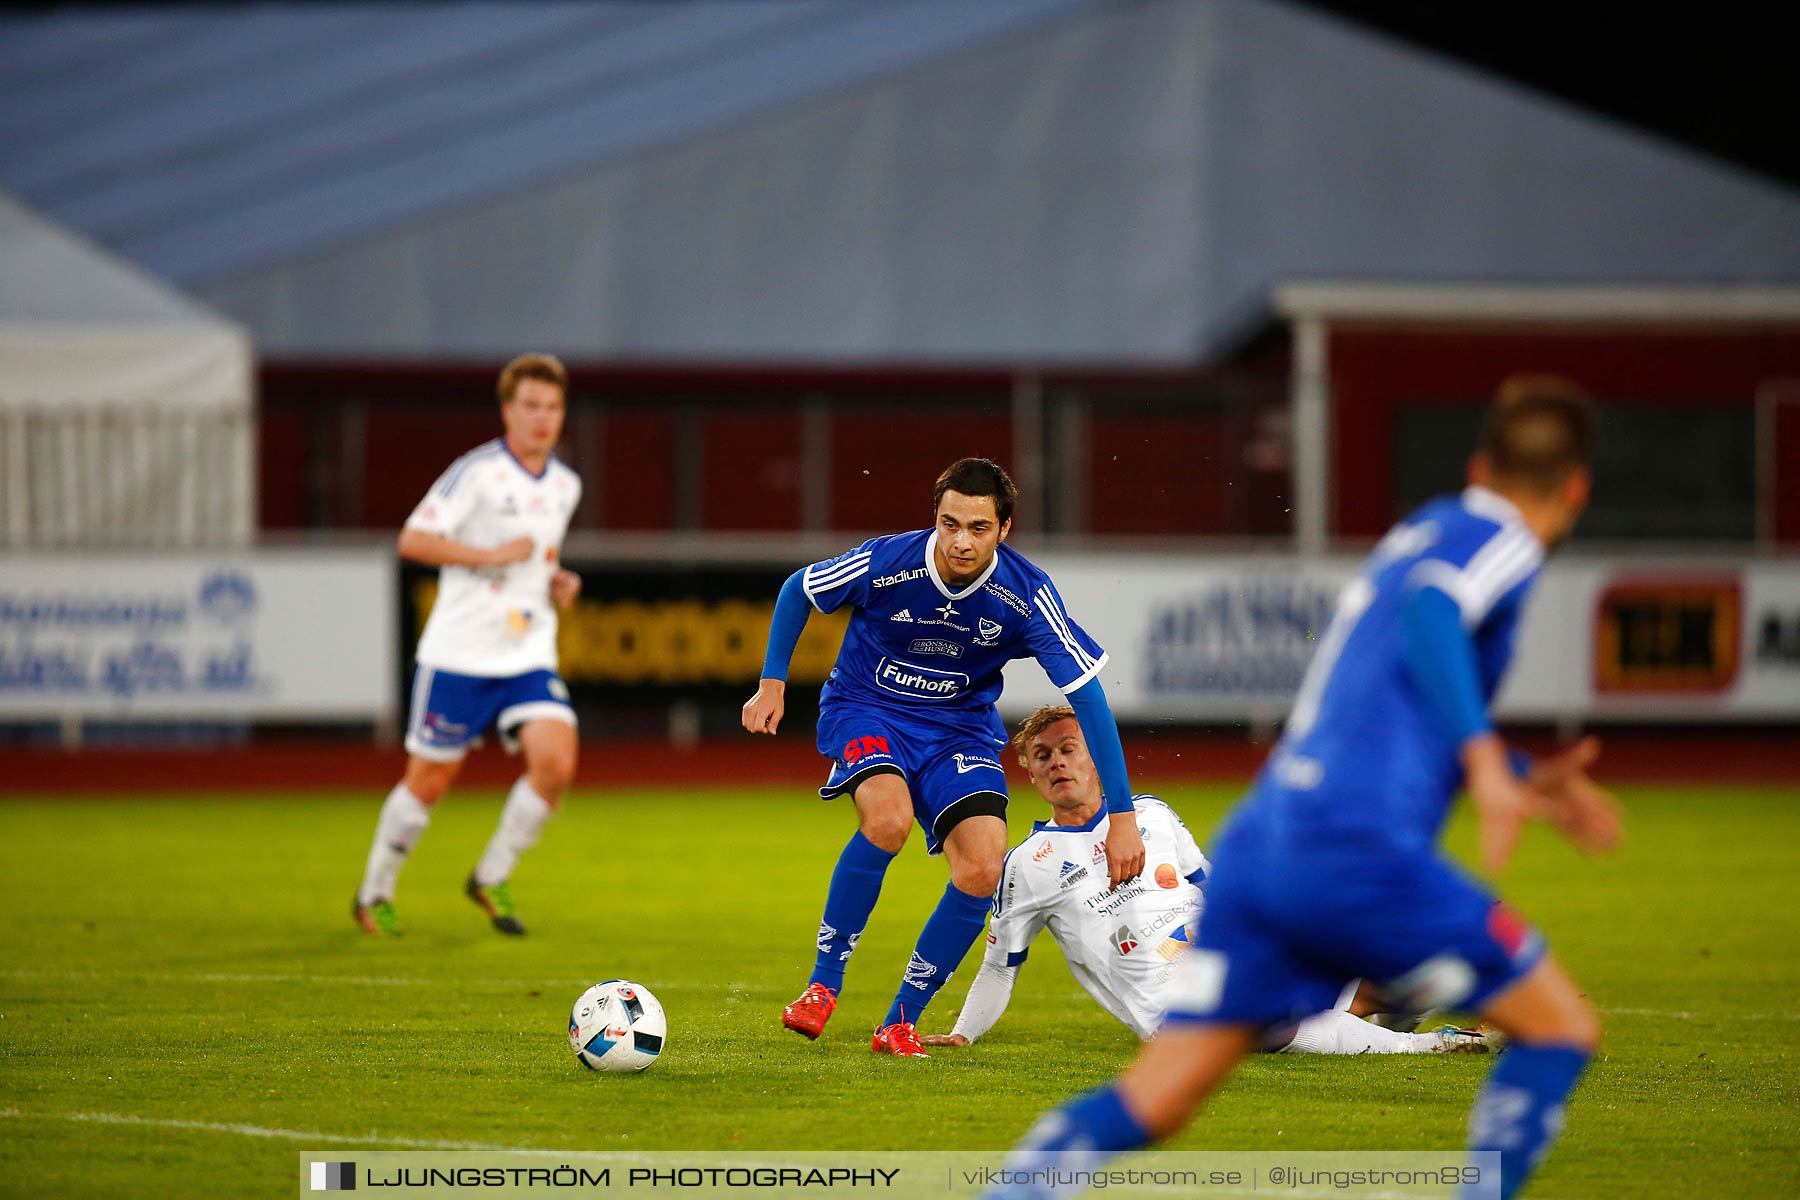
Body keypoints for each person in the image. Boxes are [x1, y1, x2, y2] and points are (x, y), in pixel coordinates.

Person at [986, 376, 1621, 1200]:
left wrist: (1518, 772)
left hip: (1267, 844)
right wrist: (1487, 759)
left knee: (1159, 1094)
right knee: (1561, 1030)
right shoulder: (1501, 537)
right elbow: (1434, 616)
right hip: (1356, 852)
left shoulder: (1423, 529)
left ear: (1477, 463)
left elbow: (1388, 706)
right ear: (1576, 488)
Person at [743, 458, 1146, 1057]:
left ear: (1004, 530)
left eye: (978, 528)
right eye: (949, 523)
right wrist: (772, 681)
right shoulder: (887, 561)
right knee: (887, 821)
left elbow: (1086, 698)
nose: (960, 541)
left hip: (959, 730)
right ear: (935, 517)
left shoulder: (1027, 594)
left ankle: (899, 1021)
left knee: (984, 866)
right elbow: (797, 589)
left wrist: (1123, 815)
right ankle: (822, 986)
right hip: (867, 709)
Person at [922, 706, 1493, 1056]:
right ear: (1028, 770)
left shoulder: (1154, 816)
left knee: (1350, 961)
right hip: (1176, 1012)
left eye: (1069, 749)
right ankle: (1433, 1044)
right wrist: (966, 1034)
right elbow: (1000, 965)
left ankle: (1447, 1002)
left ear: (1096, 756)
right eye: (1042, 756)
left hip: (1225, 959)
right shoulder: (1029, 863)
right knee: (1268, 1015)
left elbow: (1220, 893)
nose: (1057, 764)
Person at [352, 353, 584, 938]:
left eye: (552, 407)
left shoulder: (564, 484)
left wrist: (558, 580)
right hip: (458, 652)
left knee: (556, 761)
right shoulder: (476, 472)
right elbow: (414, 540)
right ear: (508, 410)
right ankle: (374, 891)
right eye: (530, 405)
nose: (542, 417)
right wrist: (490, 556)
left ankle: (490, 875)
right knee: (429, 781)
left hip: (527, 651)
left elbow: (540, 556)